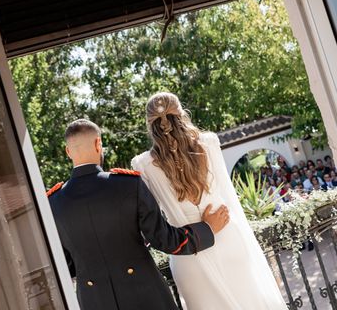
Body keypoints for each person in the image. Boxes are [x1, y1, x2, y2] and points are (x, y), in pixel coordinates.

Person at [48, 119, 229, 310]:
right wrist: (207, 228)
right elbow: (165, 240)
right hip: (146, 295)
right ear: (98, 144)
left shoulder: (53, 202)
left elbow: (65, 265)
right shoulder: (127, 184)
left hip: (94, 302)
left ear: (68, 152)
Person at [132, 92, 287, 310]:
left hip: (188, 254)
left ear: (150, 124)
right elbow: (228, 194)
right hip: (227, 237)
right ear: (181, 113)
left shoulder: (143, 164)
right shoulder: (209, 143)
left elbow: (154, 219)